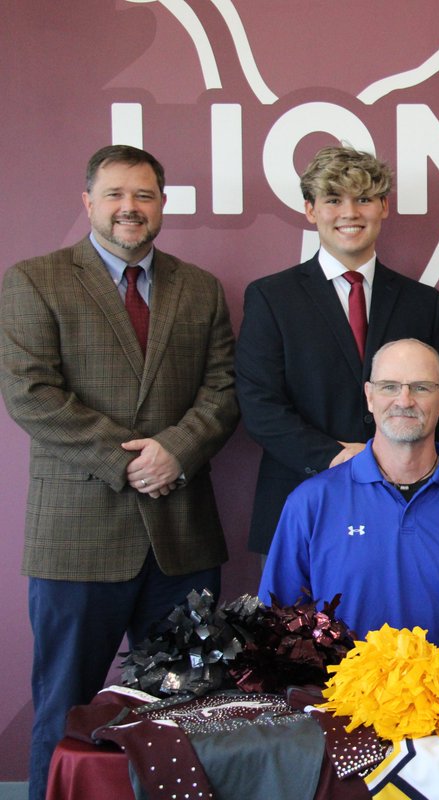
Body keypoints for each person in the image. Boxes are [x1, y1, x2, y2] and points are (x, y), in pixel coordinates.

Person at [0, 145, 239, 800]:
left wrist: (176, 451)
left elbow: (223, 391)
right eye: (115, 195)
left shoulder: (199, 288)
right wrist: (128, 461)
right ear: (88, 202)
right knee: (65, 708)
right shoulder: (33, 280)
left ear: (162, 204)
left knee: (189, 711)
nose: (130, 208)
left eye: (143, 195)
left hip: (182, 541)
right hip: (76, 540)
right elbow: (31, 395)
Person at [237, 145, 439, 557]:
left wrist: (386, 459)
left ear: (383, 207)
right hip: (303, 499)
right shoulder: (271, 297)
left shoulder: (421, 301)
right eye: (333, 200)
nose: (350, 212)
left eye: (363, 199)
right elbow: (259, 406)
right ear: (310, 210)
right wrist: (337, 458)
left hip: (408, 505)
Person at [260, 339, 439, 649]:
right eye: (389, 387)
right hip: (340, 697)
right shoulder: (310, 503)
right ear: (369, 397)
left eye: (421, 388)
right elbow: (277, 630)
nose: (404, 400)